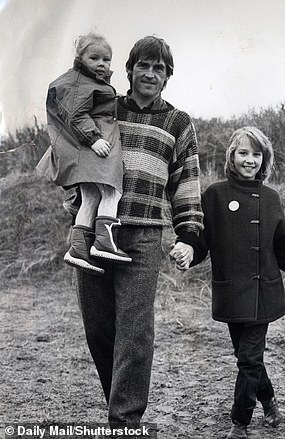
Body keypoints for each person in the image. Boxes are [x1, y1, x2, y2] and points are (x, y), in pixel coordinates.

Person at [63, 36, 203, 428]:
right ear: (129, 70)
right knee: (98, 329)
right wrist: (74, 198)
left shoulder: (178, 123)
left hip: (142, 237)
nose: (150, 74)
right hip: (92, 232)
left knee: (135, 330)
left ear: (167, 77)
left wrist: (189, 235)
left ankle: (125, 421)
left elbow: (186, 184)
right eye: (143, 65)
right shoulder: (105, 106)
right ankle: (119, 405)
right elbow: (73, 147)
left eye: (159, 68)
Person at [171, 127, 285, 439]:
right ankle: (270, 400)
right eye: (243, 153)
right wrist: (187, 252)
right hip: (231, 292)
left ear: (265, 159)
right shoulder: (214, 195)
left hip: (263, 293)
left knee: (248, 359)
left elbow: (284, 250)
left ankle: (239, 424)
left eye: (257, 154)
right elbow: (202, 244)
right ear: (232, 155)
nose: (250, 160)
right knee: (247, 358)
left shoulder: (272, 199)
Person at [36, 32, 131, 274]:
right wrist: (94, 139)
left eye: (106, 60)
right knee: (112, 191)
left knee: (90, 197)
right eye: (94, 58)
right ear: (80, 57)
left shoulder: (86, 81)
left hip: (88, 148)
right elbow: (76, 114)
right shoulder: (80, 82)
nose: (101, 64)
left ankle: (78, 249)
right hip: (96, 143)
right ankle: (104, 243)